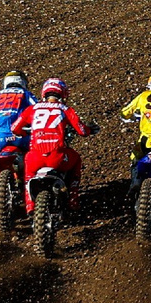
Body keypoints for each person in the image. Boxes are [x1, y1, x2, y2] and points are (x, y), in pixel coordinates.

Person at [20, 77, 96, 211]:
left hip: (35, 157)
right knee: (76, 159)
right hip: (57, 157)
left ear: (44, 93)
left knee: (28, 175)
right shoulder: (65, 109)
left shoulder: (32, 109)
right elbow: (82, 131)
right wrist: (90, 129)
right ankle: (73, 200)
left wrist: (28, 133)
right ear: (63, 93)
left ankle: (30, 206)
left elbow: (15, 128)